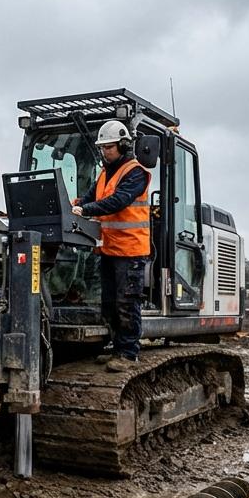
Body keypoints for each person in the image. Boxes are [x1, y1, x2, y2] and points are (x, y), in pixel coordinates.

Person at [71, 121, 150, 373]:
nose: (104, 152)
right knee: (110, 304)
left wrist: (85, 209)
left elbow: (118, 201)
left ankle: (128, 353)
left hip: (130, 251)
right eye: (102, 148)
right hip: (109, 249)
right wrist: (74, 207)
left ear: (124, 145)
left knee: (126, 303)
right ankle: (118, 348)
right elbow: (89, 198)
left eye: (109, 147)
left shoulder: (135, 172)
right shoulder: (105, 173)